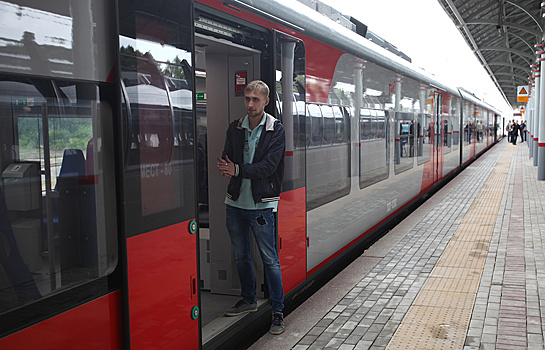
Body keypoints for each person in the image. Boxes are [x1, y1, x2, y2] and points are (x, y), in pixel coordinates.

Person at [217, 80, 286, 335]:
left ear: (266, 102)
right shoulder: (235, 127)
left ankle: (278, 312)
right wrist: (226, 166)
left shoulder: (275, 130)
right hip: (234, 202)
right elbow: (227, 156)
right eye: (247, 98)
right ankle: (248, 300)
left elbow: (269, 167)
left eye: (256, 99)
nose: (250, 104)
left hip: (261, 205)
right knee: (240, 256)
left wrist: (236, 169)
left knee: (270, 260)